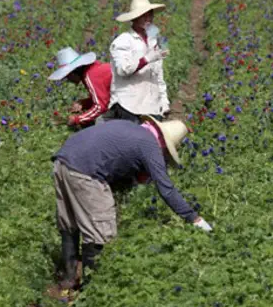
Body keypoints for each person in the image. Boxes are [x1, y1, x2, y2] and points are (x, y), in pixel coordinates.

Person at [52, 116, 212, 289]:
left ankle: (69, 279)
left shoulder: (131, 128)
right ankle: (92, 289)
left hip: (63, 161)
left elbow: (115, 161)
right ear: (165, 144)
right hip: (85, 172)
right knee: (101, 232)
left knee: (70, 224)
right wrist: (193, 218)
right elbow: (166, 189)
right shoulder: (149, 145)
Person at [105, 0, 170, 124]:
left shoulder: (153, 41)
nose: (148, 18)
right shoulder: (123, 41)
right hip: (128, 105)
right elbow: (123, 69)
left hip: (151, 106)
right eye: (143, 15)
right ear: (134, 18)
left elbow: (157, 74)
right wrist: (146, 59)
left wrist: (164, 100)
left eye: (150, 14)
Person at [48, 47, 111, 128]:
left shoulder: (90, 76)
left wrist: (77, 119)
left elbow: (100, 107)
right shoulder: (92, 70)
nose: (68, 79)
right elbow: (103, 98)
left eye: (67, 76)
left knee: (100, 123)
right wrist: (83, 103)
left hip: (128, 102)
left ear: (73, 72)